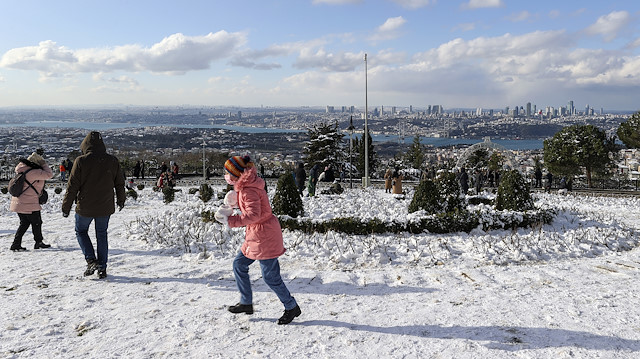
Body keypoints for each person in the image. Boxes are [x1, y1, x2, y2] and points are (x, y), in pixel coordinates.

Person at [215, 155, 301, 325]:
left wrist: (230, 221)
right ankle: (246, 303)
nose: (225, 175)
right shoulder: (246, 187)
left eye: (227, 172)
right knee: (239, 264)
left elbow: (254, 215)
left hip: (264, 235)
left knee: (270, 277)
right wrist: (234, 203)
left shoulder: (248, 190)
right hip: (256, 235)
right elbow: (252, 210)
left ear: (236, 174)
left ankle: (291, 307)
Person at [62, 131, 126, 279]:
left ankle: (91, 260)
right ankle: (102, 267)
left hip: (85, 205)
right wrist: (121, 200)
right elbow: (119, 183)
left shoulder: (81, 161)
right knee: (101, 234)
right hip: (105, 205)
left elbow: (72, 187)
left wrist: (66, 207)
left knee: (81, 231)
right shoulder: (112, 160)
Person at [9, 152, 54, 251]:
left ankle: (16, 244)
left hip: (18, 202)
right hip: (29, 202)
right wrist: (43, 164)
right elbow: (49, 174)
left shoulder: (21, 169)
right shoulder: (34, 172)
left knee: (24, 223)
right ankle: (38, 242)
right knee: (37, 222)